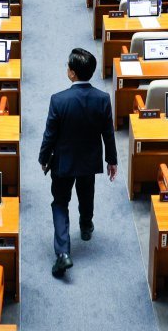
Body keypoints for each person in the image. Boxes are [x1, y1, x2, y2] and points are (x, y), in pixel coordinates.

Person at [38, 48, 117, 277]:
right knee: (86, 194)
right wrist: (111, 160)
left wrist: (44, 158)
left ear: (72, 74)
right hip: (89, 161)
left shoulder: (58, 100)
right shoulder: (102, 99)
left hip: (62, 163)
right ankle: (85, 226)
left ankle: (63, 253)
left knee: (60, 203)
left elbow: (49, 135)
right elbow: (108, 134)